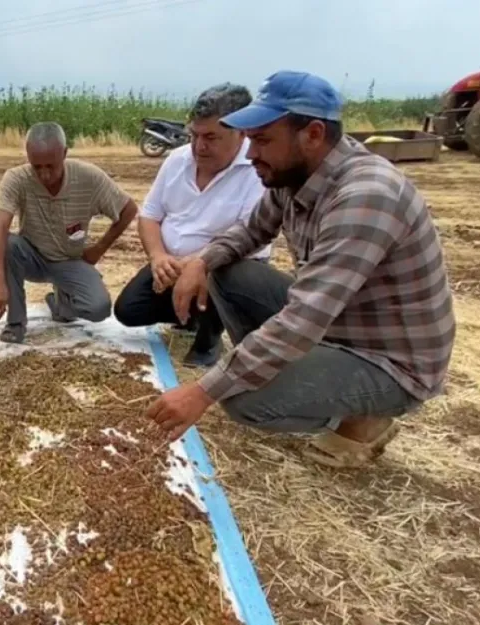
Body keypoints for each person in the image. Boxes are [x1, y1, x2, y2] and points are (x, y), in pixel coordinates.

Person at [144, 70, 456, 468]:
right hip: (338, 325)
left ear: (311, 134)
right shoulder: (295, 176)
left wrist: (203, 391)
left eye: (262, 140)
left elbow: (303, 319)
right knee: (226, 271)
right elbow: (248, 232)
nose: (252, 153)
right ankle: (280, 373)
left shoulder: (365, 196)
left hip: (385, 358)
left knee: (241, 398)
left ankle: (363, 417)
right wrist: (200, 262)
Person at [114, 83, 270, 368]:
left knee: (226, 277)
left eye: (211, 137)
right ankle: (190, 316)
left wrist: (194, 264)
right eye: (194, 135)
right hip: (172, 263)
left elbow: (247, 237)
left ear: (241, 133)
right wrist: (159, 258)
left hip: (223, 266)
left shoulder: (257, 169)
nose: (199, 146)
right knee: (128, 311)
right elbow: (149, 216)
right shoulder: (177, 160)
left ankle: (209, 338)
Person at [0, 121, 139, 344]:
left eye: (51, 166)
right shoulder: (16, 178)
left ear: (64, 153)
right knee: (8, 244)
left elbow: (129, 210)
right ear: (27, 156)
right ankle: (16, 323)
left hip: (69, 260)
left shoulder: (88, 177)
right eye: (37, 167)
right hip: (31, 256)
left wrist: (99, 248)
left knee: (99, 308)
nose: (44, 174)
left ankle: (60, 306)